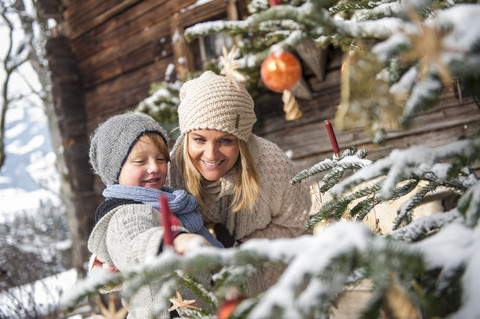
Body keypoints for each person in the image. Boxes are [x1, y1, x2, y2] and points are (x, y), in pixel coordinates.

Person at [168, 71, 312, 295]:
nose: (211, 154)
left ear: (242, 141)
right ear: (186, 137)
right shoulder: (173, 172)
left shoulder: (272, 166)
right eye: (199, 139)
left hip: (278, 282)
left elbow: (299, 225)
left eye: (225, 140)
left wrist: (241, 250)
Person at [87, 112, 222, 318]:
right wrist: (173, 240)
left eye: (161, 159)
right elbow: (132, 241)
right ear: (116, 171)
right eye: (140, 161)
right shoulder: (124, 212)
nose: (154, 168)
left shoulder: (171, 203)